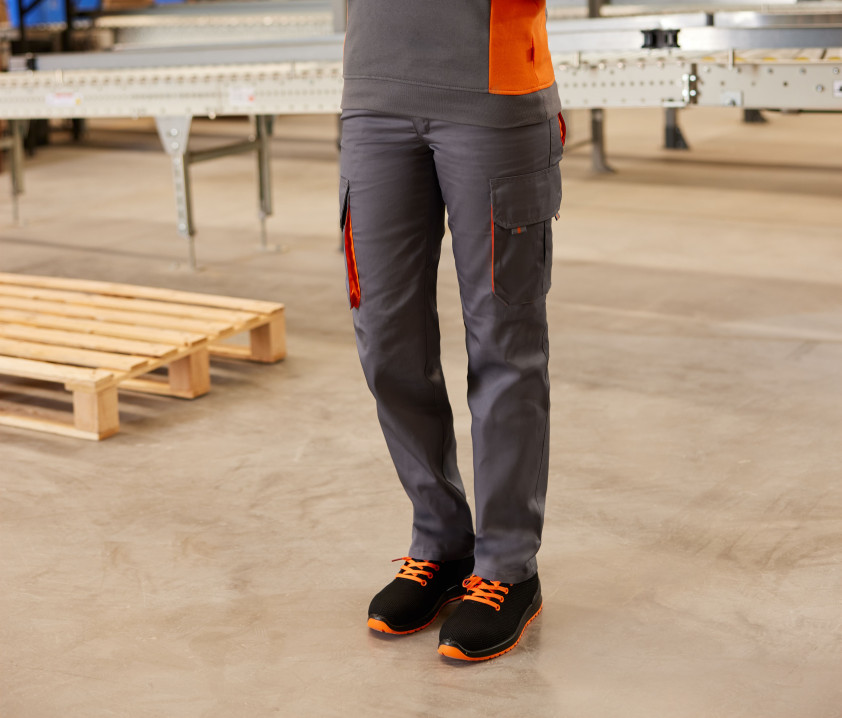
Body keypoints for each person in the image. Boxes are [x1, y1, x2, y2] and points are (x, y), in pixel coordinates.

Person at [339, 0, 564, 662]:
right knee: (386, 337)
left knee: (503, 343)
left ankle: (507, 567)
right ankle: (440, 543)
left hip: (493, 95)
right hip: (374, 94)